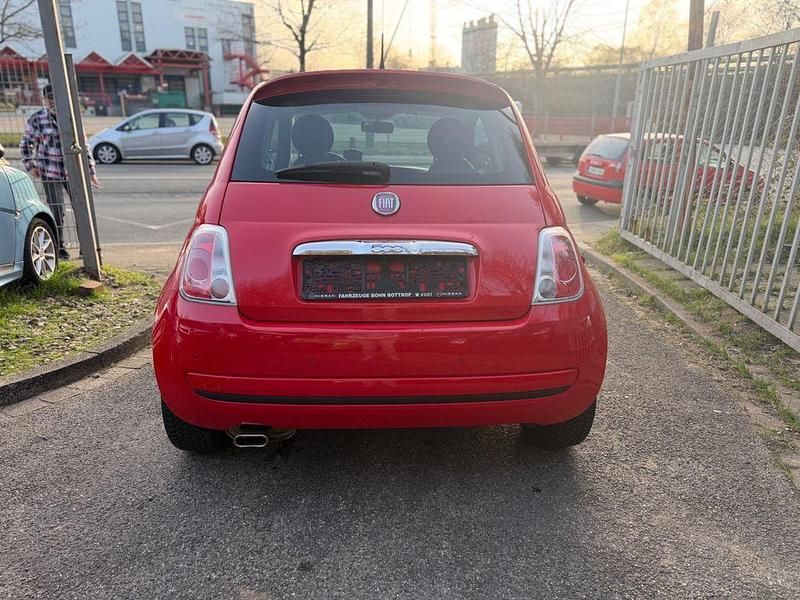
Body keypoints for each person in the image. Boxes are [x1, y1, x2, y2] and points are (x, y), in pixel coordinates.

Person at [19, 83, 101, 260]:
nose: (53, 102)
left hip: (74, 172)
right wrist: (30, 164)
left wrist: (91, 171)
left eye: (56, 98)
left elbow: (84, 145)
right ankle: (59, 247)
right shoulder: (37, 119)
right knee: (56, 211)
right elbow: (26, 142)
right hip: (50, 171)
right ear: (45, 100)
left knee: (82, 210)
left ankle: (86, 248)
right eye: (49, 98)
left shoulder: (72, 117)